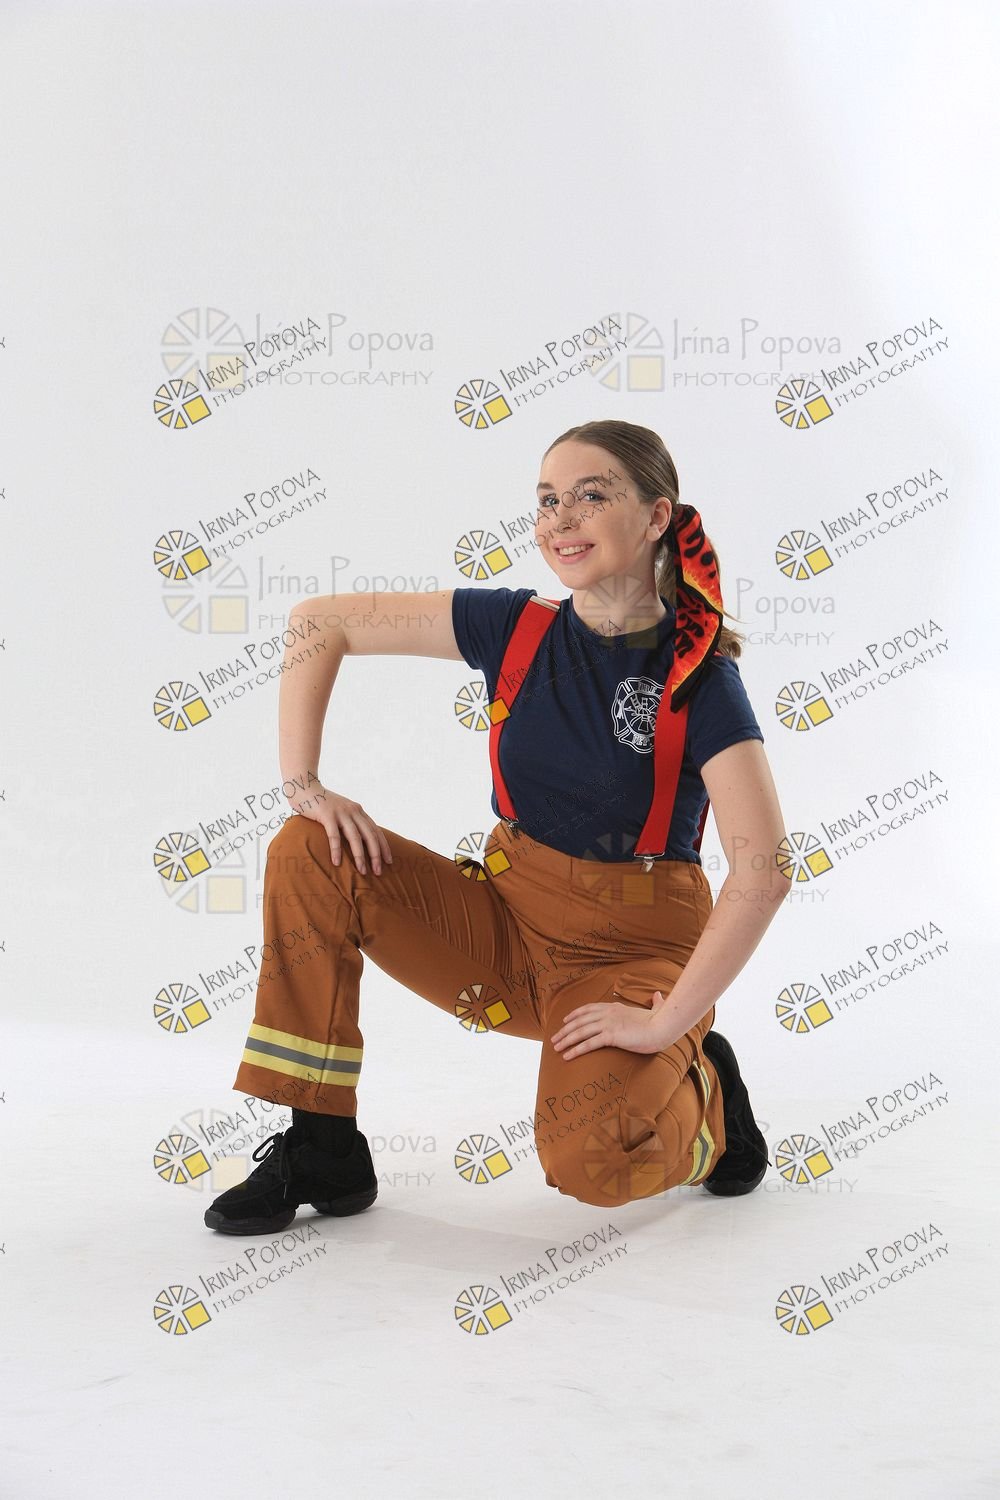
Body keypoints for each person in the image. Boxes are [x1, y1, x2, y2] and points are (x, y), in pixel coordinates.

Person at [204, 418, 789, 1236]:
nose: (561, 520)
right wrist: (306, 787)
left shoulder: (699, 675)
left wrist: (666, 1020)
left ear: (657, 516)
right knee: (310, 849)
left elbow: (764, 870)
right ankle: (322, 1145)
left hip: (633, 954)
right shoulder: (515, 626)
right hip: (505, 929)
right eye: (548, 500)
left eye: (592, 496)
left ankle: (710, 1105)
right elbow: (317, 622)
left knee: (597, 1161)